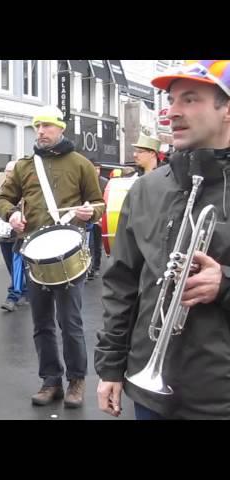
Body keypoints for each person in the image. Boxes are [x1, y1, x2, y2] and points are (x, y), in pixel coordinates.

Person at [95, 60, 230, 420]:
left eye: (190, 99)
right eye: (170, 100)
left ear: (227, 107)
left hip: (219, 396)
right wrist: (111, 367)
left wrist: (226, 283)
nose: (173, 112)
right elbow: (121, 282)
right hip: (149, 390)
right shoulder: (146, 188)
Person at [0, 105, 105, 408]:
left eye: (46, 126)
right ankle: (50, 381)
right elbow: (2, 198)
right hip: (34, 253)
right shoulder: (24, 166)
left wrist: (89, 211)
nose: (41, 131)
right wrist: (12, 214)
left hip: (69, 252)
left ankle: (77, 380)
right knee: (41, 322)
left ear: (61, 128)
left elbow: (98, 203)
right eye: (37, 127)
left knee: (70, 321)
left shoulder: (80, 163)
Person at [0, 160, 29, 311]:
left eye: (11, 171)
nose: (9, 174)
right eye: (7, 171)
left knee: (17, 264)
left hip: (18, 234)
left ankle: (13, 296)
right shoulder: (2, 188)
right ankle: (25, 290)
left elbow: (24, 208)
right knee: (11, 265)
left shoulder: (23, 187)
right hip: (3, 234)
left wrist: (15, 214)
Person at [87, 162, 109, 280]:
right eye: (94, 168)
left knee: (97, 243)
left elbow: (106, 200)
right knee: (89, 244)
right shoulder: (87, 180)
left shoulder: (104, 182)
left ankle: (96, 267)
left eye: (98, 168)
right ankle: (90, 268)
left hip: (100, 216)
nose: (97, 171)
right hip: (90, 217)